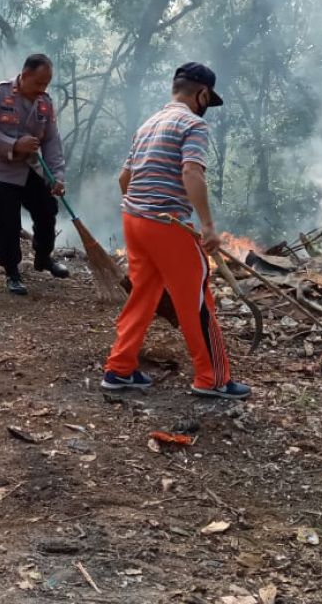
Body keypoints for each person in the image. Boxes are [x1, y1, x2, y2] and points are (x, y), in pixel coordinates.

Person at [102, 62, 250, 399]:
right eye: (207, 100)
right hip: (167, 224)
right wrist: (208, 227)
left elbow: (124, 179)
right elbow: (192, 174)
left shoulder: (147, 125)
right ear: (201, 93)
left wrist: (143, 210)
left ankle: (119, 368)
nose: (205, 108)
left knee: (144, 293)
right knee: (196, 300)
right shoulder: (192, 124)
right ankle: (212, 378)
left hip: (134, 221)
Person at [0, 53, 69, 296]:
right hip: (1, 170)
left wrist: (57, 176)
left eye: (47, 83)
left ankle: (43, 257)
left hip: (33, 169)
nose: (43, 88)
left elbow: (52, 142)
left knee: (47, 212)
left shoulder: (45, 103)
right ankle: (12, 271)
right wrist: (15, 144)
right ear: (25, 75)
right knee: (6, 222)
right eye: (39, 83)